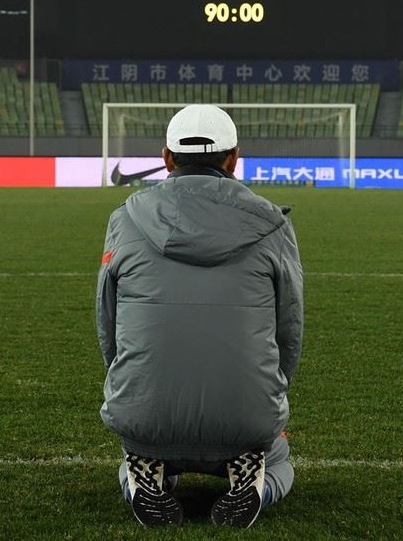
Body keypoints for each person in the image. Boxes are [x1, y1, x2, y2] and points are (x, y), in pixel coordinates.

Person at [96, 104, 304, 529]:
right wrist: (269, 392)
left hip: (146, 414)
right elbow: (289, 329)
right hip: (246, 420)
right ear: (233, 159)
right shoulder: (273, 225)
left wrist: (134, 387)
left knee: (138, 446)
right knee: (279, 457)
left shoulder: (125, 219)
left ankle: (145, 476)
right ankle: (257, 483)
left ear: (167, 158)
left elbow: (108, 323)